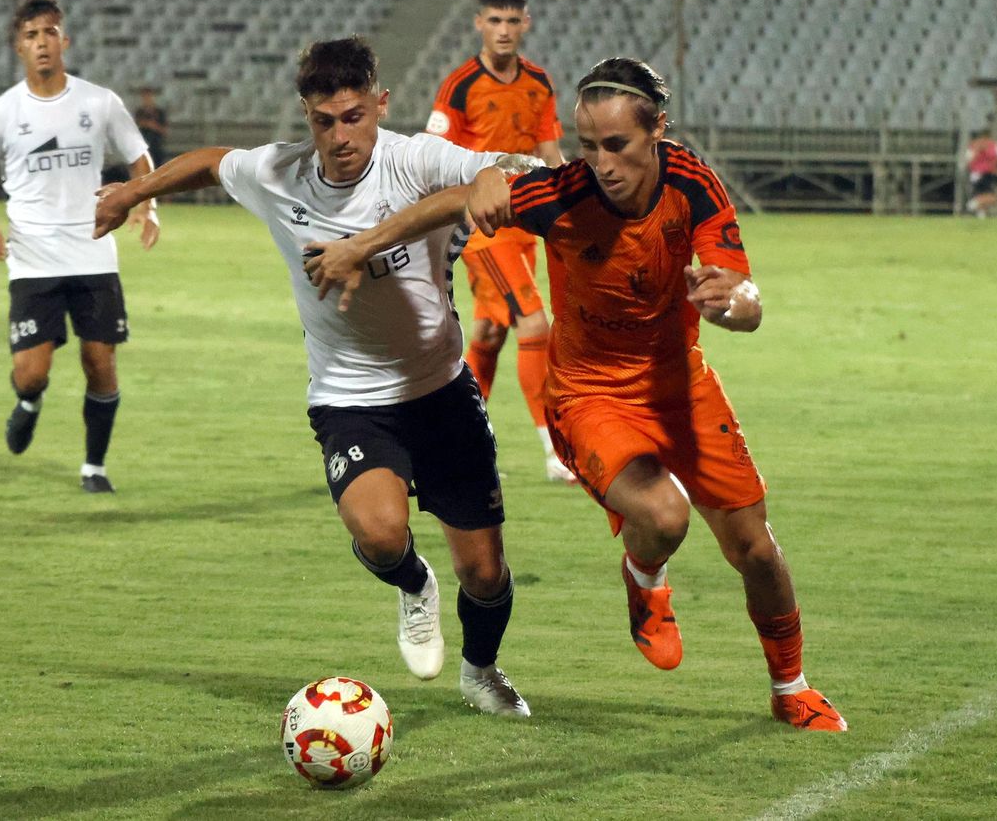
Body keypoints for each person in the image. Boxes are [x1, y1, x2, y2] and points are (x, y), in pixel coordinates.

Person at [305, 58, 846, 731]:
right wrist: (368, 244)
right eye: (588, 146)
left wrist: (735, 303)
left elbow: (741, 292)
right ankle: (645, 576)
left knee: (757, 550)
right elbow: (450, 203)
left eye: (616, 145)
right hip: (589, 395)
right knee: (665, 517)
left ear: (658, 131)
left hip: (681, 385)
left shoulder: (693, 185)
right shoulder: (562, 191)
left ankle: (790, 685)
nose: (601, 163)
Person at [91, 36, 534, 716]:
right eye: (324, 121)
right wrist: (132, 192)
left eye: (354, 116)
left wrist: (493, 172)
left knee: (484, 570)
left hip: (442, 391)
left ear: (380, 105)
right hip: (349, 398)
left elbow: (490, 175)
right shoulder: (280, 173)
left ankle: (482, 671)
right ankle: (414, 586)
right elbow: (213, 164)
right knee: (381, 535)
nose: (340, 135)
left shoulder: (414, 160)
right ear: (306, 116)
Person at [0, 0, 159, 494]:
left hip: (93, 248)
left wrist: (146, 205)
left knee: (100, 362)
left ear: (64, 40)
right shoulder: (1, 113)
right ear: (18, 47)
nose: (42, 43)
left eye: (49, 32)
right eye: (31, 36)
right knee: (31, 373)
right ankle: (28, 403)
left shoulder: (98, 102)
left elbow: (140, 158)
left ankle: (94, 466)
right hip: (31, 256)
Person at [426, 0, 573, 483]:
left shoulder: (538, 81)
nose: (504, 30)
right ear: (479, 24)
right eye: (495, 20)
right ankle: (555, 454)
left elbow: (551, 154)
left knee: (489, 331)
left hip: (524, 226)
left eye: (513, 21)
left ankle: (456, 444)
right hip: (483, 227)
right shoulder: (461, 85)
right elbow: (433, 154)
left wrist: (579, 204)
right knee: (535, 324)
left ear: (525, 24)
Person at [964, 131, 997, 218]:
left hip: (978, 174)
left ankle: (981, 215)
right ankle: (973, 203)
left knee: (981, 194)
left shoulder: (975, 145)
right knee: (993, 197)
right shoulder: (991, 146)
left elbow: (968, 159)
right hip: (983, 174)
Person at [134, 86, 169, 167]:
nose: (147, 99)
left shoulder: (159, 112)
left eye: (148, 96)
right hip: (143, 148)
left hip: (156, 147)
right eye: (144, 97)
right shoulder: (139, 113)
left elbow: (165, 131)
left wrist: (153, 126)